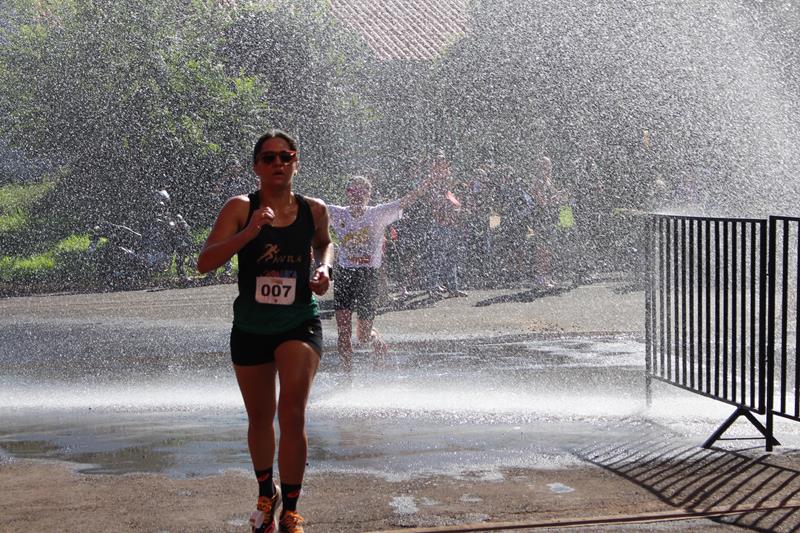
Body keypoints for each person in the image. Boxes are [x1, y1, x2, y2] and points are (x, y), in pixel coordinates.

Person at [197, 129, 332, 533]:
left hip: (299, 321)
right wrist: (250, 232)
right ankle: (265, 492)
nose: (278, 164)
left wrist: (324, 267)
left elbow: (325, 242)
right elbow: (205, 262)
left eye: (286, 156)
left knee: (291, 412)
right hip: (252, 325)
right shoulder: (241, 207)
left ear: (296, 162)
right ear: (256, 166)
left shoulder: (314, 209)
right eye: (269, 158)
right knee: (259, 416)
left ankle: (290, 508)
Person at [328, 174, 432, 369]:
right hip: (345, 273)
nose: (357, 196)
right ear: (347, 194)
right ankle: (346, 378)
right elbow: (304, 206)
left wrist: (426, 184)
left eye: (362, 191)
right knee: (343, 330)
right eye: (353, 191)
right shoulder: (337, 213)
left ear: (369, 194)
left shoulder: (377, 213)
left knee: (363, 336)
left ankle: (377, 342)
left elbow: (405, 201)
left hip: (368, 275)